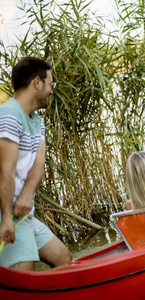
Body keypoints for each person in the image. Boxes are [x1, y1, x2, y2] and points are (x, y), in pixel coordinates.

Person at [0, 57, 72, 270]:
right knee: (24, 278)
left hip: (22, 214)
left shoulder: (37, 121)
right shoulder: (10, 115)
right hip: (7, 213)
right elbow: (6, 169)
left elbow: (38, 164)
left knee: (63, 258)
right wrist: (6, 218)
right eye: (51, 84)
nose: (52, 90)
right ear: (37, 83)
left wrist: (26, 194)